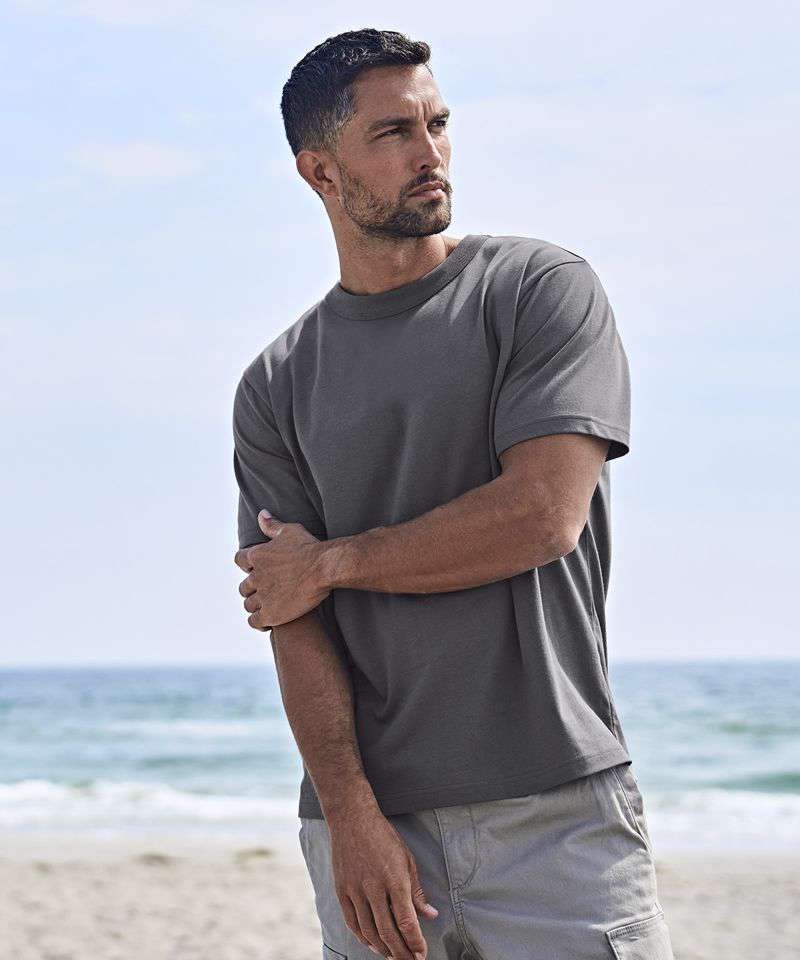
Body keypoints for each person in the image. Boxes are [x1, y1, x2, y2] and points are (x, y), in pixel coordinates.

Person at [232, 27, 675, 960]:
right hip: (369, 831)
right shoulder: (276, 383)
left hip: (556, 813)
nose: (429, 153)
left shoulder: (536, 290)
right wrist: (349, 815)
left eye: (436, 124)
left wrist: (335, 563)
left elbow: (541, 516)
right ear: (320, 171)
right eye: (393, 132)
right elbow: (288, 612)